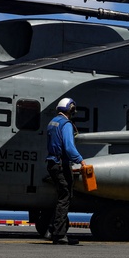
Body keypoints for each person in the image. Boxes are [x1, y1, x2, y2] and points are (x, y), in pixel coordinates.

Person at [45, 98, 84, 245]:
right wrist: (80, 160)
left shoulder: (52, 122)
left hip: (52, 163)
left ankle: (51, 230)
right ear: (71, 109)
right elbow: (68, 147)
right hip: (61, 164)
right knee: (65, 197)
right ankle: (59, 235)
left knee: (61, 196)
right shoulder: (66, 124)